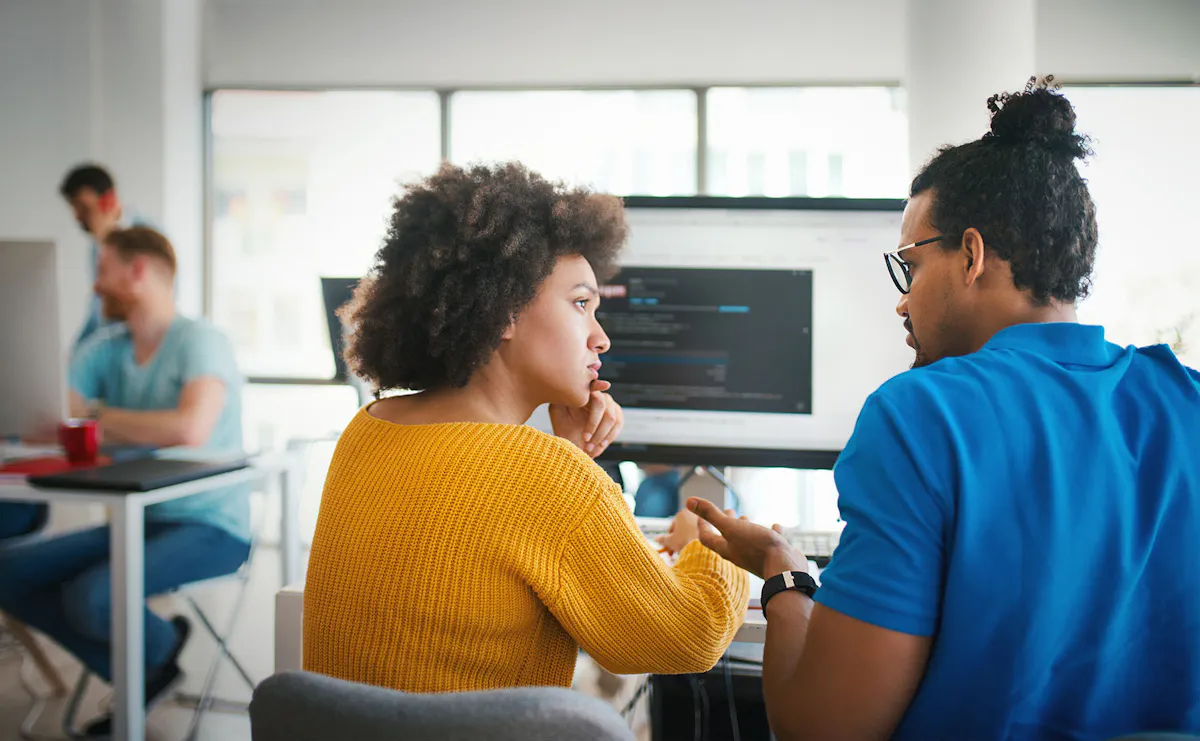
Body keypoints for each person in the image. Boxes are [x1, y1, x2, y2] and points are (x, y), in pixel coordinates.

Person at [688, 79, 1200, 741]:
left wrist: (784, 575)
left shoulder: (920, 417)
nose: (902, 302)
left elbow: (823, 729)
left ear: (972, 255)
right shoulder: (1186, 400)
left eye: (910, 267)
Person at [303, 162, 749, 693]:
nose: (600, 338)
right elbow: (686, 639)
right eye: (581, 304)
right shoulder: (539, 473)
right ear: (503, 312)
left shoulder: (368, 430)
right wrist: (712, 544)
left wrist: (574, 461)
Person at [0, 227, 252, 737]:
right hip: (140, 519)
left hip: (211, 527)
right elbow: (51, 411)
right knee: (8, 571)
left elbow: (189, 428)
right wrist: (102, 419)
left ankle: (150, 658)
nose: (96, 286)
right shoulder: (105, 348)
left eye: (102, 270)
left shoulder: (200, 340)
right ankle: (154, 657)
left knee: (92, 597)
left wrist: (96, 416)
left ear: (136, 271)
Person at [59, 164, 149, 350]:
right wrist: (75, 353)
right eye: (75, 209)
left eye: (84, 208)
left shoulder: (147, 239)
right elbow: (96, 312)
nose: (77, 217)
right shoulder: (97, 248)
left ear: (108, 202)